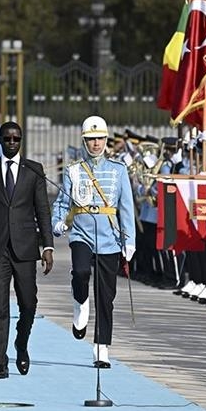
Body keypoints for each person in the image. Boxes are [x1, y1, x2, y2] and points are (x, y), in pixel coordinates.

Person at [0, 121, 54, 379]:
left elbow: (43, 211)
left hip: (26, 248)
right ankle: (1, 361)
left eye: (16, 139)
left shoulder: (34, 170)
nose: (11, 143)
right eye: (6, 139)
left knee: (29, 304)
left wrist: (48, 246)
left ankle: (21, 342)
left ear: (21, 140)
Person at [51, 115, 136, 368]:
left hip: (109, 237)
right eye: (90, 139)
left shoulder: (118, 170)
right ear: (84, 141)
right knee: (79, 272)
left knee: (106, 295)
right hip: (81, 232)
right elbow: (63, 202)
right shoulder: (74, 170)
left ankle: (101, 348)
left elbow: (126, 207)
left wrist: (128, 240)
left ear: (106, 140)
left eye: (99, 139)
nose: (95, 144)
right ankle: (80, 302)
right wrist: (57, 222)